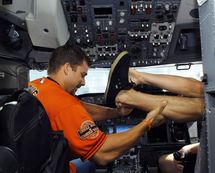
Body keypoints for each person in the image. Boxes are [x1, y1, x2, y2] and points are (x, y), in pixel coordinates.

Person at [28, 44, 167, 173]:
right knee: (90, 162)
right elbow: (102, 155)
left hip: (32, 162)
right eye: (82, 75)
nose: (83, 82)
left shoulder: (37, 86)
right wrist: (147, 124)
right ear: (67, 68)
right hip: (53, 168)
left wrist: (117, 113)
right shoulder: (65, 104)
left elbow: (81, 109)